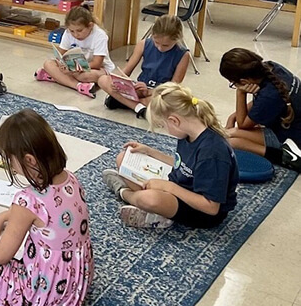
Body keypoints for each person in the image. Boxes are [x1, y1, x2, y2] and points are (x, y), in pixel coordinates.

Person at [0, 109, 93, 306]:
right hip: (76, 280)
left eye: (10, 160)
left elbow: (1, 254)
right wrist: (6, 216)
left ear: (29, 160)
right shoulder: (70, 179)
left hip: (41, 291)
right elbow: (49, 212)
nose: (12, 168)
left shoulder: (28, 200)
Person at [103, 82, 238, 229]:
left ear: (174, 121)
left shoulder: (212, 152)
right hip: (180, 186)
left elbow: (211, 208)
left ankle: (123, 192)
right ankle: (155, 210)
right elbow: (185, 166)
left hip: (201, 212)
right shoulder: (190, 133)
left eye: (163, 126)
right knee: (123, 158)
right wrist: (150, 152)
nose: (165, 130)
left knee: (149, 199)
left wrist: (169, 187)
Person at [219, 48, 301, 172]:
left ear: (244, 81)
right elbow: (261, 104)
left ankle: (283, 156)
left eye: (233, 84)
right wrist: (232, 117)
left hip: (294, 138)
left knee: (231, 140)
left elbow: (243, 125)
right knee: (229, 134)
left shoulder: (269, 96)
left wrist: (240, 93)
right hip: (294, 124)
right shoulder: (273, 68)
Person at [97, 15, 189, 119]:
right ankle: (138, 107)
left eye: (166, 45)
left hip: (160, 92)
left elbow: (173, 87)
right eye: (156, 42)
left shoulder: (183, 55)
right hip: (139, 87)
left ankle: (125, 102)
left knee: (169, 101)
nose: (160, 48)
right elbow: (126, 70)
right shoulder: (144, 44)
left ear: (177, 40)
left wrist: (150, 91)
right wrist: (117, 83)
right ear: (152, 35)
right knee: (103, 80)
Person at [36, 5, 115, 99]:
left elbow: (97, 63)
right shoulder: (68, 33)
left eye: (79, 31)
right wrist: (62, 64)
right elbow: (60, 54)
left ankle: (56, 77)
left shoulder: (100, 35)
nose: (76, 34)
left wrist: (77, 68)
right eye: (72, 31)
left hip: (97, 68)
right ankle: (79, 86)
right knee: (48, 63)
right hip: (74, 68)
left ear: (90, 26)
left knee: (85, 76)